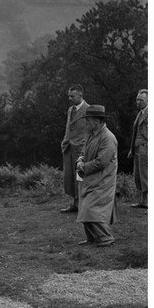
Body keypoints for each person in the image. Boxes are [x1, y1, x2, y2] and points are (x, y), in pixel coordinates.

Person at [75, 105, 118, 247]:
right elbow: (83, 151)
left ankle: (106, 237)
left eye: (89, 120)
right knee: (86, 207)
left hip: (102, 179)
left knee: (92, 208)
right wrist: (80, 159)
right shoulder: (92, 134)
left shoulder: (108, 138)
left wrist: (84, 167)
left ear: (98, 121)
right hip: (91, 178)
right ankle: (93, 238)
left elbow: (102, 162)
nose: (86, 122)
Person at [60, 84, 90, 213]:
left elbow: (92, 131)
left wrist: (85, 147)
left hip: (81, 148)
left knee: (81, 176)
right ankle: (75, 203)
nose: (70, 98)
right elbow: (68, 127)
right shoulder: (70, 110)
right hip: (69, 147)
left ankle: (83, 204)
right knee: (69, 176)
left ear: (80, 95)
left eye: (72, 96)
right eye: (69, 96)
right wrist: (65, 141)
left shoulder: (89, 110)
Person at [127, 89, 148, 208]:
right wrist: (132, 150)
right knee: (139, 175)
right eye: (137, 99)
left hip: (146, 148)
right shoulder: (141, 113)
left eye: (141, 100)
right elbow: (136, 132)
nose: (138, 102)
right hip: (138, 148)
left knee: (146, 175)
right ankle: (143, 201)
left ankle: (147, 201)